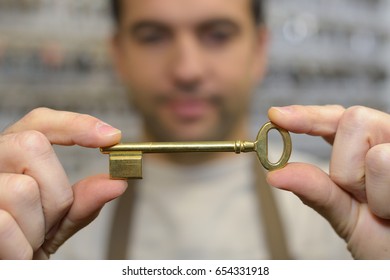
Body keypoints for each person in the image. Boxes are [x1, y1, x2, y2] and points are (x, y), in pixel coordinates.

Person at [0, 0, 389, 260]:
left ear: (259, 49)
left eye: (217, 34)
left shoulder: (353, 218)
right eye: (153, 36)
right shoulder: (43, 223)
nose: (187, 70)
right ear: (119, 55)